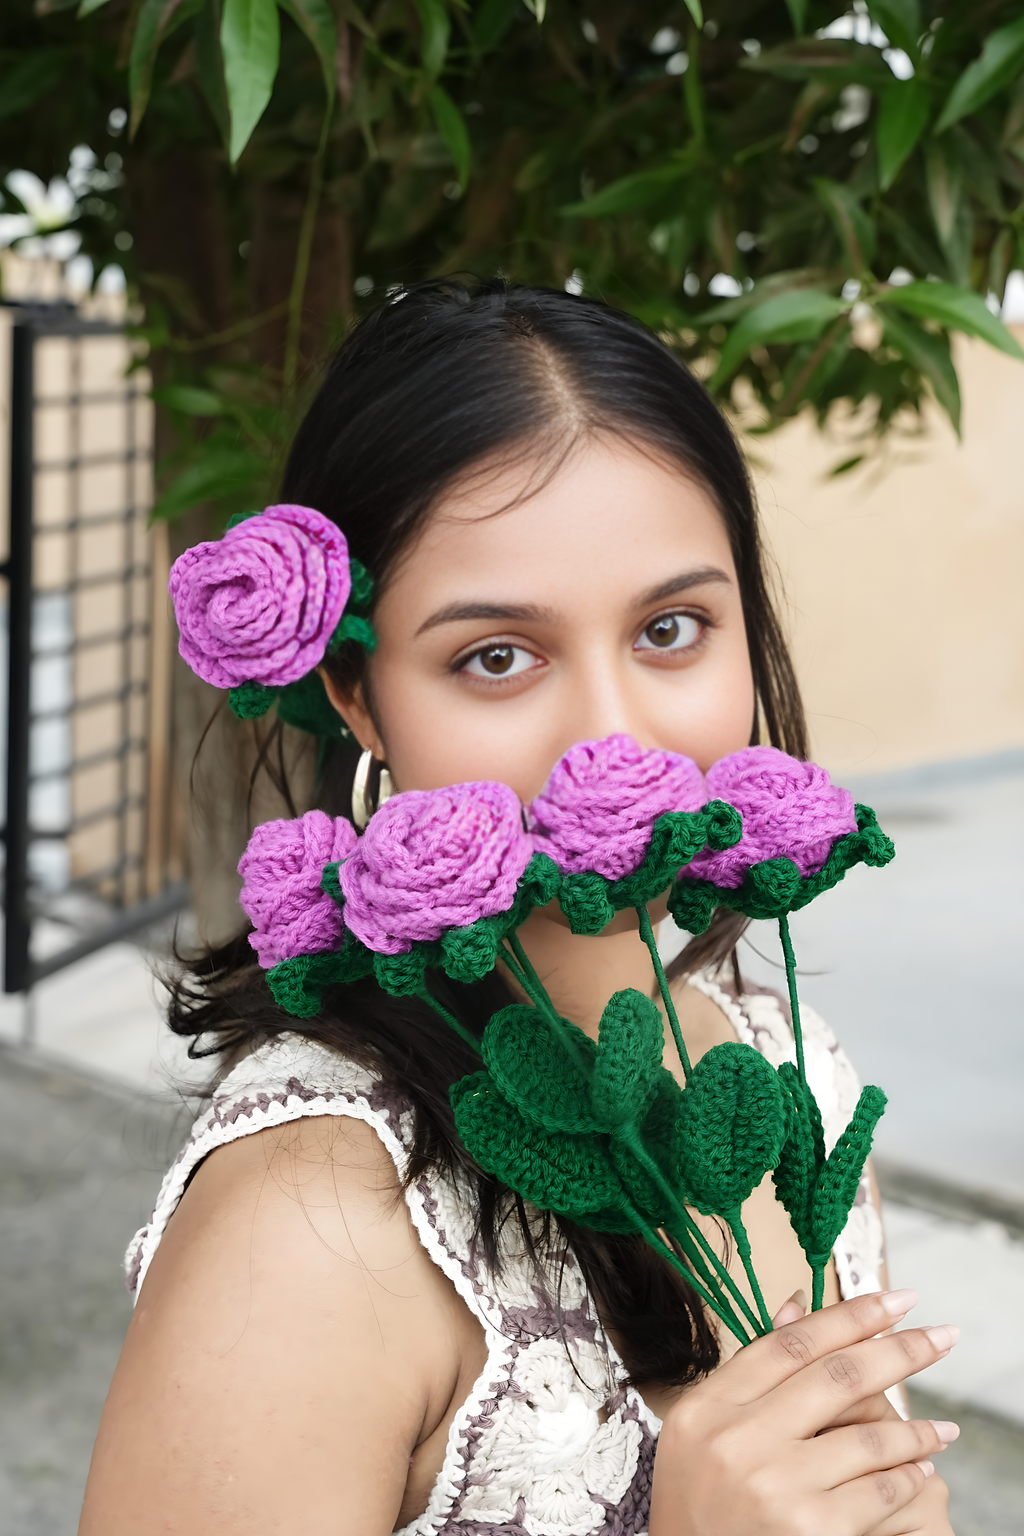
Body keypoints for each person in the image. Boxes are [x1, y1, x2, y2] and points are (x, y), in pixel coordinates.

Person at [80, 279, 959, 1535]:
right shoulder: (312, 1218)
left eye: (671, 628)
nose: (613, 738)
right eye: (496, 657)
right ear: (358, 697)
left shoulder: (779, 1069)